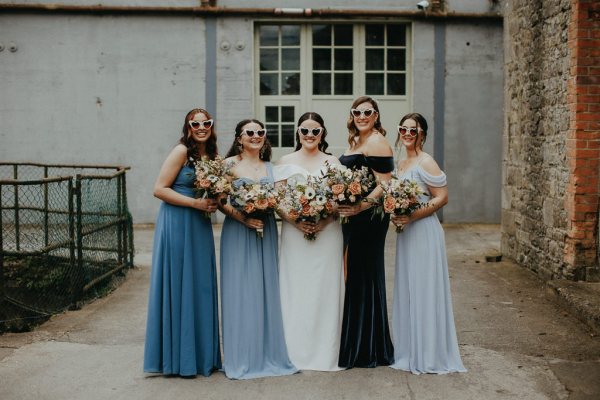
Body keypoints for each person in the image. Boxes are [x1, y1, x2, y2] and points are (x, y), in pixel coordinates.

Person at [143, 108, 221, 377]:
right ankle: (177, 359)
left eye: (206, 123)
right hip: (177, 222)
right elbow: (159, 189)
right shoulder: (181, 152)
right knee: (179, 282)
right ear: (188, 127)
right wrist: (195, 202)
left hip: (199, 226)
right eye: (195, 123)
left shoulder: (212, 156)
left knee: (200, 284)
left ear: (211, 126)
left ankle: (201, 357)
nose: (201, 127)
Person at [218, 119, 297, 379]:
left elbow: (278, 203)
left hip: (265, 231)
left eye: (260, 132)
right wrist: (242, 218)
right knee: (239, 290)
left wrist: (304, 220)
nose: (255, 136)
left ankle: (266, 353)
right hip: (238, 231)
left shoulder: (270, 167)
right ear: (239, 138)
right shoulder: (228, 165)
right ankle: (241, 356)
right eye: (249, 132)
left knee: (264, 290)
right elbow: (218, 201)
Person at [390, 112, 466, 374]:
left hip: (424, 232)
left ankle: (430, 354)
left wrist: (411, 215)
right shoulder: (400, 164)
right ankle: (410, 351)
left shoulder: (427, 162)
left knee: (424, 289)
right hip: (406, 234)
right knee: (409, 289)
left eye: (414, 130)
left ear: (422, 133)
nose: (408, 134)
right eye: (404, 129)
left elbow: (442, 198)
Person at [274, 112, 344, 371]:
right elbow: (278, 202)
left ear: (323, 133)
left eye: (315, 131)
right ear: (298, 133)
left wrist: (324, 221)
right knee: (296, 287)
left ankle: (326, 352)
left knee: (325, 288)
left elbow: (340, 199)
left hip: (328, 233)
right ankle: (294, 351)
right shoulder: (284, 161)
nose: (310, 136)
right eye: (305, 131)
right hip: (295, 234)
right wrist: (295, 222)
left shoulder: (333, 162)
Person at [337, 96, 395, 368]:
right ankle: (358, 343)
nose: (362, 116)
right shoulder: (357, 142)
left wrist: (361, 206)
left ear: (376, 115)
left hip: (369, 218)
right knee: (354, 276)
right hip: (354, 216)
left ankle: (366, 348)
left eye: (367, 112)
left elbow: (385, 183)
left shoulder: (377, 141)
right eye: (357, 112)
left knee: (364, 276)